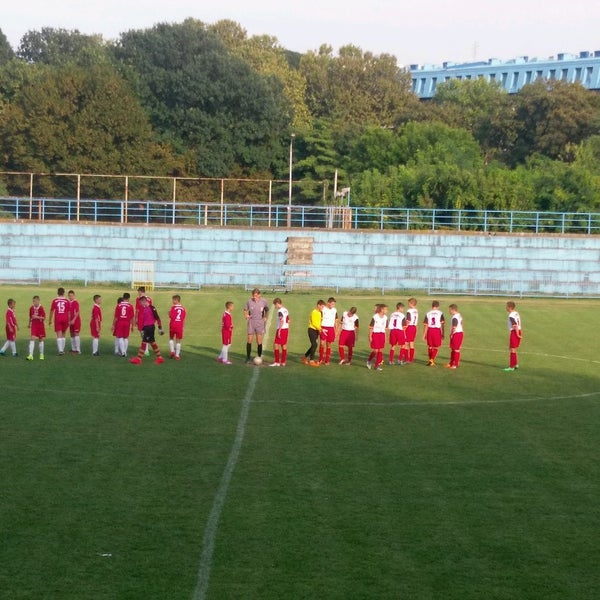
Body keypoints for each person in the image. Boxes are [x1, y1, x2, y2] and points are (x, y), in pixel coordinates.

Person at [129, 296, 164, 364]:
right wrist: (143, 329)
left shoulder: (152, 308)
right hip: (147, 328)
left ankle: (138, 359)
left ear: (144, 301)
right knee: (152, 342)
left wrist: (160, 328)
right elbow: (146, 320)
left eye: (140, 303)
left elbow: (158, 318)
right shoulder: (145, 308)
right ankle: (160, 358)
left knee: (144, 342)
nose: (140, 304)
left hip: (150, 328)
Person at [243, 288, 268, 363]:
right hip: (251, 322)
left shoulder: (264, 301)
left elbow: (267, 309)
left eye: (256, 296)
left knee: (259, 340)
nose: (255, 297)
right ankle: (248, 357)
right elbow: (245, 309)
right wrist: (246, 315)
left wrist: (265, 317)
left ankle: (259, 356)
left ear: (259, 295)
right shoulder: (249, 301)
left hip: (260, 322)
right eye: (254, 296)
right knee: (249, 339)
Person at [422, 300, 445, 366]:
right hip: (437, 331)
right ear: (438, 306)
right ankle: (431, 360)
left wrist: (424, 334)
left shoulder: (428, 313)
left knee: (430, 346)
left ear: (432, 306)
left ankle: (430, 361)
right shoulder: (440, 313)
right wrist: (443, 333)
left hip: (430, 330)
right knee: (436, 347)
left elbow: (425, 325)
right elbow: (442, 324)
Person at [302, 300, 325, 366]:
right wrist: (320, 329)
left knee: (314, 345)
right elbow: (314, 323)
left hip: (316, 331)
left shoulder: (320, 312)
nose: (322, 308)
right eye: (322, 306)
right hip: (311, 330)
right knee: (314, 344)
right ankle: (311, 361)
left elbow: (319, 322)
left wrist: (319, 330)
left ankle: (304, 357)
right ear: (318, 305)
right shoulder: (314, 312)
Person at [318, 297, 339, 365]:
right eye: (332, 304)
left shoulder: (334, 310)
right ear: (328, 303)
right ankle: (320, 359)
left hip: (331, 329)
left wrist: (336, 330)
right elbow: (319, 318)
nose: (333, 306)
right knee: (322, 343)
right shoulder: (323, 309)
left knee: (329, 345)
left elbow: (336, 320)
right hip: (323, 328)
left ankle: (327, 360)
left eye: (334, 304)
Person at [367, 303, 388, 371]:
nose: (386, 311)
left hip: (382, 334)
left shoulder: (385, 318)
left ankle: (376, 366)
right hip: (375, 334)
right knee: (375, 351)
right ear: (382, 310)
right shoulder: (375, 316)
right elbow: (371, 327)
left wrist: (385, 337)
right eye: (385, 309)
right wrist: (370, 336)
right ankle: (369, 361)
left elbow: (386, 328)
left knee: (380, 350)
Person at [48, 287, 69, 355]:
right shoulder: (67, 301)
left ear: (57, 293)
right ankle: (62, 350)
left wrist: (50, 320)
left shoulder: (55, 301)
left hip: (58, 318)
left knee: (59, 335)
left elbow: (52, 311)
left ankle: (60, 350)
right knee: (63, 334)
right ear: (63, 293)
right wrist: (69, 320)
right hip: (65, 318)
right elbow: (69, 312)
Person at [270, 298, 289, 367]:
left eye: (275, 305)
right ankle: (283, 362)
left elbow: (282, 321)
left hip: (281, 329)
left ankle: (277, 362)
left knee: (275, 344)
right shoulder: (285, 310)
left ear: (277, 303)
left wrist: (279, 330)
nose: (275, 306)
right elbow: (288, 320)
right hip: (286, 329)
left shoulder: (280, 311)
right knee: (283, 345)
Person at [504, 301, 522, 371]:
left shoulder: (511, 315)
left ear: (510, 307)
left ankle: (511, 367)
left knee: (512, 349)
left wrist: (517, 334)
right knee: (512, 348)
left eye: (506, 306)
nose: (506, 308)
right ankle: (516, 364)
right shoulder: (516, 313)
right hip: (519, 330)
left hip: (515, 331)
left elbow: (515, 325)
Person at [27, 295, 46, 361]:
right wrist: (29, 324)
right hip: (34, 325)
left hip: (40, 325)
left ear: (38, 301)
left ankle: (41, 354)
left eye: (35, 301)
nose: (34, 303)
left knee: (40, 339)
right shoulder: (31, 308)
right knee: (32, 338)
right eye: (33, 301)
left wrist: (37, 317)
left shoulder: (41, 308)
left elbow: (44, 317)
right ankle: (30, 355)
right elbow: (30, 316)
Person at [135, 286, 153, 356]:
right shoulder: (149, 299)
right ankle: (145, 349)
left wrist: (136, 318)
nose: (138, 293)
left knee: (143, 334)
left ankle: (145, 349)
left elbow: (137, 309)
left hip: (141, 318)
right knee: (145, 334)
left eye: (139, 292)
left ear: (141, 292)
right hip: (148, 318)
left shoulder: (138, 299)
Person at [168, 294, 186, 360]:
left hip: (173, 324)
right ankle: (177, 355)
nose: (172, 301)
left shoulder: (173, 308)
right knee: (178, 340)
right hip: (180, 325)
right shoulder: (183, 308)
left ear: (176, 300)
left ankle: (172, 351)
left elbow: (171, 316)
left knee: (171, 338)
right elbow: (183, 318)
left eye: (173, 300)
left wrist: (169, 313)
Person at [445, 304, 463, 369]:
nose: (449, 311)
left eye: (450, 310)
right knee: (453, 349)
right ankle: (451, 363)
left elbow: (454, 327)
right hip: (459, 333)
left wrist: (452, 334)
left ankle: (455, 364)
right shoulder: (459, 315)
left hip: (456, 334)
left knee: (456, 349)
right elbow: (461, 323)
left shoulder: (455, 317)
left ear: (453, 310)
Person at [67, 289, 81, 354]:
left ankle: (78, 350)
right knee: (72, 334)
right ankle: (73, 349)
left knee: (76, 334)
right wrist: (69, 320)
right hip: (71, 321)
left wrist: (73, 320)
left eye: (71, 296)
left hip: (76, 321)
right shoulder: (68, 303)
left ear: (74, 296)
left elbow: (77, 312)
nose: (70, 297)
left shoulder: (75, 302)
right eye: (69, 296)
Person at [405, 297, 419, 363]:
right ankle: (411, 359)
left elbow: (408, 320)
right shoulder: (416, 310)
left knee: (406, 343)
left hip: (409, 327)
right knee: (411, 343)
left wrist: (405, 328)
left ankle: (407, 359)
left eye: (408, 303)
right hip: (414, 327)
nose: (408, 304)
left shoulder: (409, 311)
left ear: (411, 303)